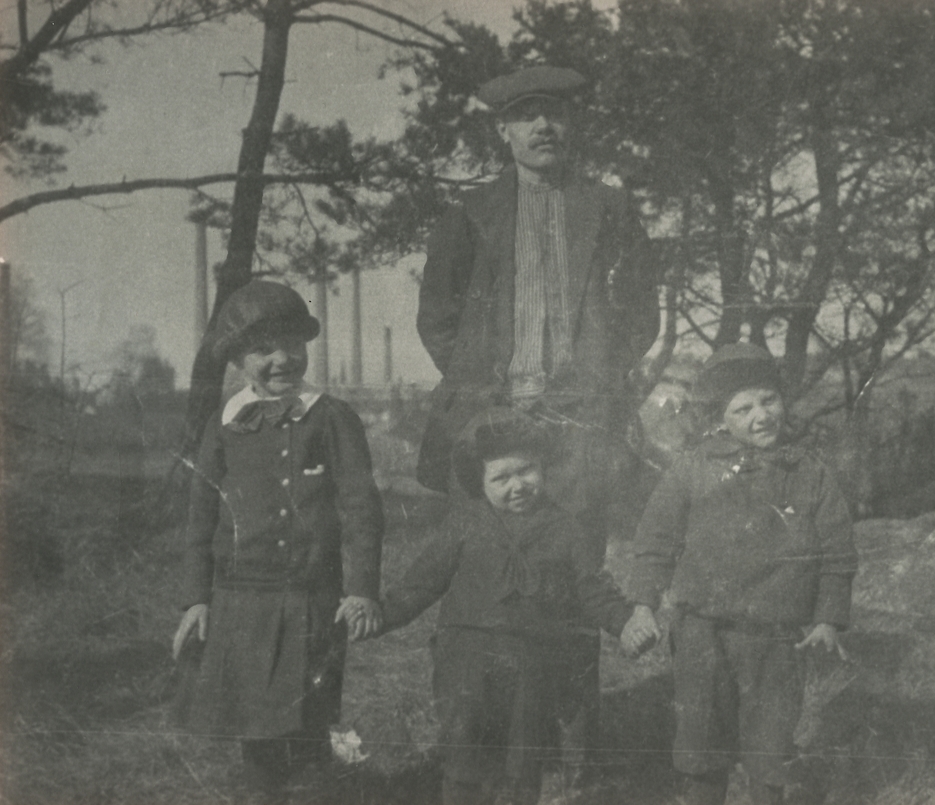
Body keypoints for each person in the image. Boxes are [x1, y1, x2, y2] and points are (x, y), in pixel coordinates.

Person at [415, 64, 661, 776]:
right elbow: (438, 318)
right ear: (504, 130)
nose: (543, 126)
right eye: (527, 115)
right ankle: (483, 749)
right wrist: (483, 392)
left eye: (554, 112)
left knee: (575, 581)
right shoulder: (469, 214)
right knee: (485, 584)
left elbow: (641, 310)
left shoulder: (608, 207)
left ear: (571, 123)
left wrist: (600, 382)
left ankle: (574, 756)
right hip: (494, 427)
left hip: (579, 430)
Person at [171, 280, 384, 803]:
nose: (282, 359)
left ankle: (314, 793)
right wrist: (196, 598)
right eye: (263, 349)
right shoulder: (223, 424)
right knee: (256, 728)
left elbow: (361, 509)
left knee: (307, 721)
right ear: (237, 360)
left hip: (310, 597)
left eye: (291, 343)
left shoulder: (332, 417)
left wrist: (361, 589)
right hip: (241, 600)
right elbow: (200, 519)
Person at [378, 408, 657, 805]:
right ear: (480, 482)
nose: (518, 485)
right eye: (501, 478)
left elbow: (593, 589)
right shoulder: (465, 523)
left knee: (522, 761)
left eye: (527, 470)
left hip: (531, 662)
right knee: (464, 752)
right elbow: (422, 582)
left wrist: (625, 622)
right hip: (466, 659)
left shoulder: (566, 527)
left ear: (543, 466)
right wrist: (379, 615)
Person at [622, 342, 858, 805]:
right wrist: (642, 605)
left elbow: (838, 553)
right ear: (720, 417)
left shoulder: (809, 473)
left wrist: (828, 619)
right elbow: (654, 543)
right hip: (701, 633)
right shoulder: (692, 469)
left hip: (776, 639)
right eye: (743, 408)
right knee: (701, 742)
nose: (761, 416)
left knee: (771, 749)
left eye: (769, 401)